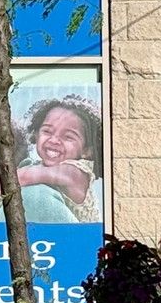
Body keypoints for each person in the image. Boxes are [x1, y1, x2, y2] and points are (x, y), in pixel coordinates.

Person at [20, 95, 104, 223]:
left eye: (68, 137)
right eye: (47, 131)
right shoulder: (38, 165)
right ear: (36, 134)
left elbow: (23, 177)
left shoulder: (76, 172)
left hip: (81, 235)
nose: (54, 140)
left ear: (87, 150)